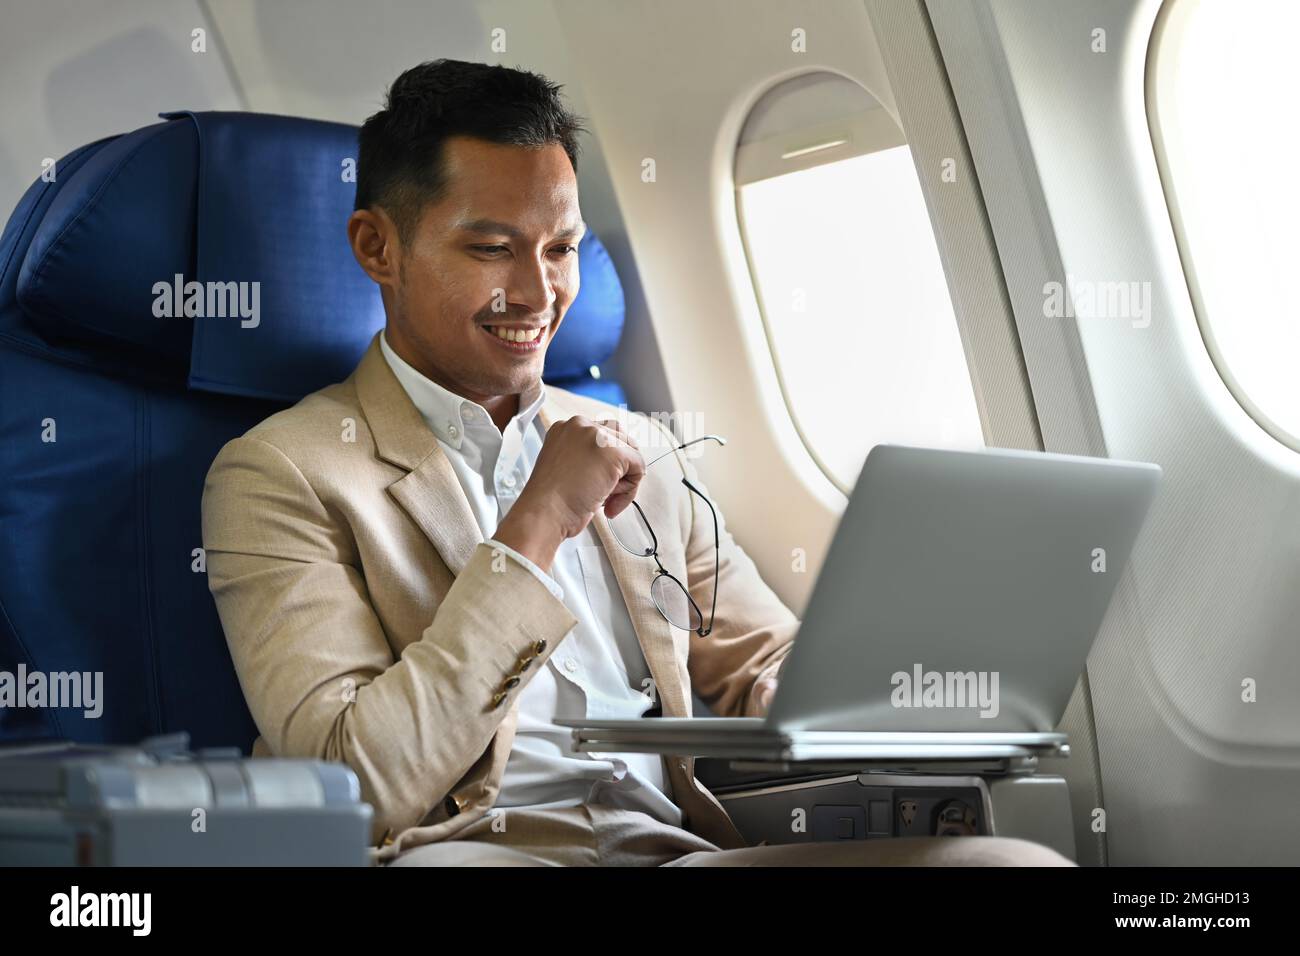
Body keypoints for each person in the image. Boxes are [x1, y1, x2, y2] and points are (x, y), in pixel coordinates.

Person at [200, 58, 1072, 867]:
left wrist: (892, 693)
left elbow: (756, 664)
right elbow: (356, 790)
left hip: (672, 847)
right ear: (377, 247)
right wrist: (535, 523)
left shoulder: (637, 447)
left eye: (561, 248)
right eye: (492, 248)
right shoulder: (282, 474)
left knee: (1010, 864)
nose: (541, 296)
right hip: (470, 851)